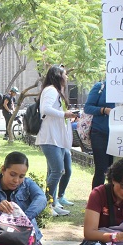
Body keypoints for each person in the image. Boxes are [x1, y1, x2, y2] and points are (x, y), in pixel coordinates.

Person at [36, 65, 78, 216]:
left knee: (54, 171)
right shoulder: (51, 90)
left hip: (57, 138)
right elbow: (45, 110)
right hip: (49, 137)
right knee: (57, 170)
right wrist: (64, 115)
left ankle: (53, 203)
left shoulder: (56, 91)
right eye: (65, 74)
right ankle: (46, 204)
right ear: (57, 76)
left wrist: (66, 115)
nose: (67, 77)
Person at [84, 80, 115, 188]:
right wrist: (104, 110)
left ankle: (113, 200)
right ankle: (95, 200)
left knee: (116, 170)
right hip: (100, 133)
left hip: (119, 136)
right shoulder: (100, 86)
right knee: (101, 169)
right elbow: (87, 107)